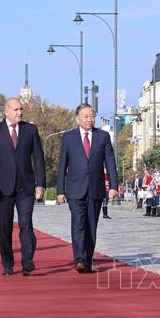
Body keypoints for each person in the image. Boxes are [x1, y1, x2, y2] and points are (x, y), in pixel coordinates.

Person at [0, 98, 46, 276]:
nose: (20, 112)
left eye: (21, 109)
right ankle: (8, 263)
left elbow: (39, 158)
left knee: (26, 224)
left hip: (26, 186)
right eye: (16, 109)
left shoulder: (30, 130)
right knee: (5, 226)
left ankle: (27, 261)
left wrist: (40, 184)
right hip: (3, 186)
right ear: (6, 111)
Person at [56, 104, 118, 273]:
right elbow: (63, 165)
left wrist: (113, 186)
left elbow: (110, 162)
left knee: (91, 225)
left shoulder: (103, 136)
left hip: (96, 188)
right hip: (75, 189)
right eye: (86, 116)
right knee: (78, 223)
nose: (90, 120)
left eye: (92, 116)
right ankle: (79, 259)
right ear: (77, 119)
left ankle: (88, 261)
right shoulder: (69, 138)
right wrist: (60, 190)